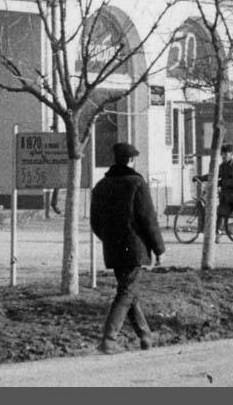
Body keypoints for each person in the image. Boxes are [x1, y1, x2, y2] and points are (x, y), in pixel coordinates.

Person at [90, 142, 165, 354]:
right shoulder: (137, 183)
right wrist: (158, 249)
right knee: (126, 293)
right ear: (131, 160)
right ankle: (108, 339)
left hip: (113, 249)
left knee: (129, 292)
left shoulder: (100, 186)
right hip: (135, 248)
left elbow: (95, 222)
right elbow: (148, 219)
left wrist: (108, 239)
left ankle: (145, 335)